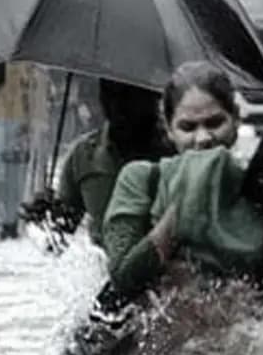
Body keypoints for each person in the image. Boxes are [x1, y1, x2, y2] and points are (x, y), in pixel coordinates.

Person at [101, 61, 263, 302]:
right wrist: (184, 206)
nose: (203, 138)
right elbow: (122, 279)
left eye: (215, 123)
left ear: (236, 120)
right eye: (188, 127)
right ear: (169, 129)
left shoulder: (257, 191)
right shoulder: (142, 179)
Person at [20, 78, 165, 250]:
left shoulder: (176, 154)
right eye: (109, 94)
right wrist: (45, 219)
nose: (117, 106)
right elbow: (60, 239)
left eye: (130, 96)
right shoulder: (84, 156)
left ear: (154, 99)